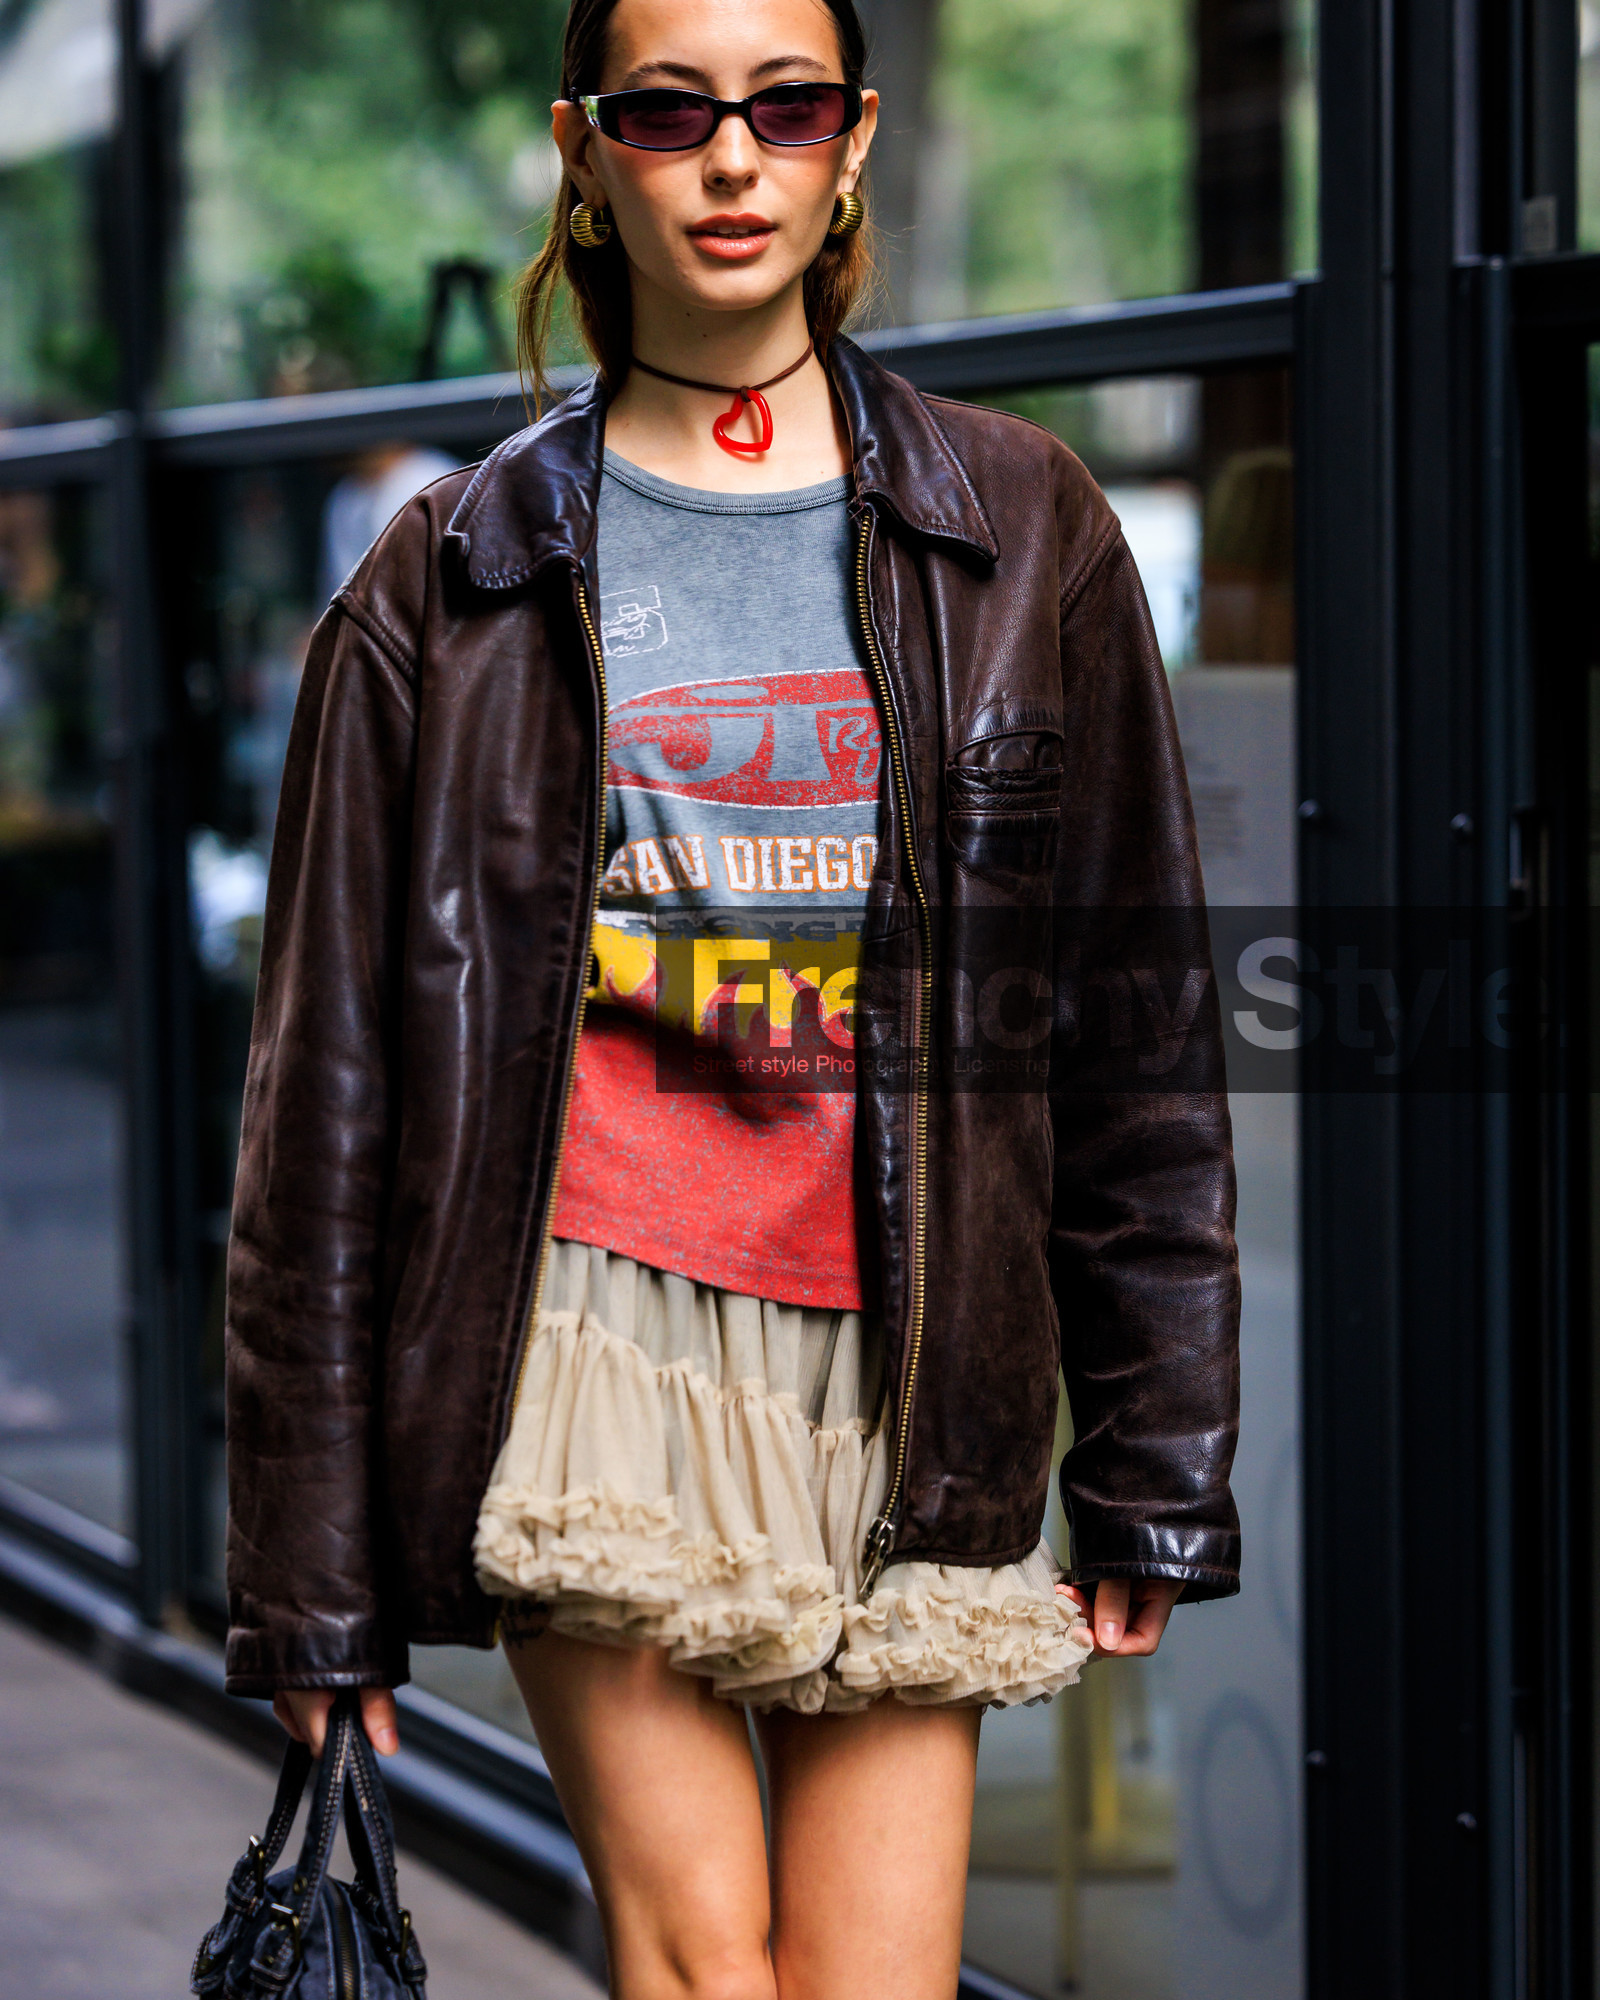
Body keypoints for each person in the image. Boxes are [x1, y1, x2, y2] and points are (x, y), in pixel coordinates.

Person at [223, 0, 1242, 1994]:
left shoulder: (1022, 527)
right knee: (703, 1968)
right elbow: (318, 1107)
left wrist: (1148, 1453)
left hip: (913, 1351)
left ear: (849, 140)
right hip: (587, 1333)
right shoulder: (452, 574)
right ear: (584, 147)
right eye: (667, 105)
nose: (727, 152)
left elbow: (1128, 1027)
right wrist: (306, 1588)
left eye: (781, 104)